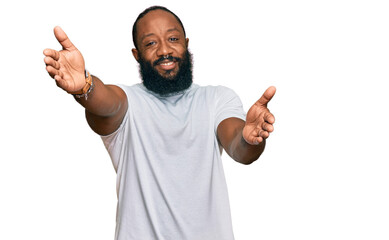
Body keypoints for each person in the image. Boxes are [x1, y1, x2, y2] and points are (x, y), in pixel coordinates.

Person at [43, 5, 276, 240]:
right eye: (151, 43)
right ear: (137, 55)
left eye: (173, 39)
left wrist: (250, 138)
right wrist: (85, 86)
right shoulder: (128, 102)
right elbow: (104, 103)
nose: (165, 50)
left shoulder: (216, 99)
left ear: (186, 43)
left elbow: (240, 147)